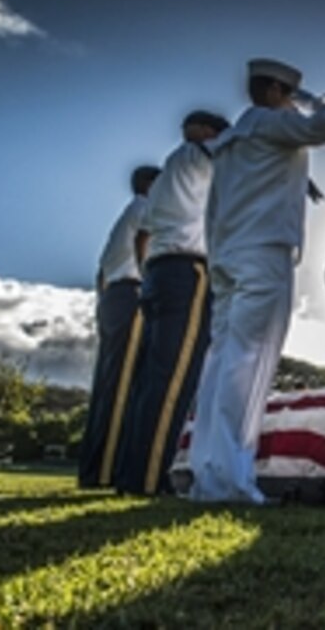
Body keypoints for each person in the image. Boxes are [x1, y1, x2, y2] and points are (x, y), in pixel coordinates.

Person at [187, 58, 325, 503]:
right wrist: (310, 98)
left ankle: (206, 471)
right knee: (250, 364)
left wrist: (218, 258)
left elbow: (214, 209)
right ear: (278, 92)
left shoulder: (232, 138)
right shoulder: (270, 123)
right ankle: (232, 482)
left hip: (227, 256)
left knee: (220, 363)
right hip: (263, 254)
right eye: (290, 95)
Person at [114, 110, 228, 496]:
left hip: (160, 271)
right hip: (186, 270)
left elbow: (144, 235)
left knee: (149, 380)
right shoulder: (200, 155)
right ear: (210, 133)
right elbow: (241, 149)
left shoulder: (167, 174)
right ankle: (150, 479)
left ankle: (130, 474)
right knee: (175, 376)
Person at [78, 164, 161, 488]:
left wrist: (104, 299)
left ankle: (93, 467)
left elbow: (101, 271)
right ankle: (105, 471)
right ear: (150, 185)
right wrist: (148, 278)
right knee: (124, 384)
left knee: (108, 383)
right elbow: (145, 237)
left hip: (112, 295)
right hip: (132, 291)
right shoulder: (146, 208)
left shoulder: (124, 216)